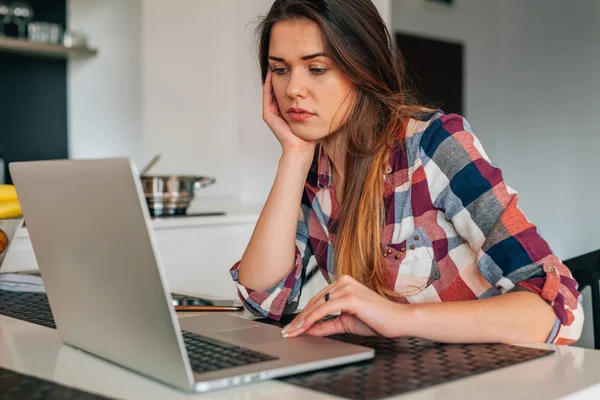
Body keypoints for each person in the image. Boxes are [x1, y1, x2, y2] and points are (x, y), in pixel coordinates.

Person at [229, 0, 583, 345]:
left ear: (361, 68)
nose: (293, 89)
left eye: (317, 68)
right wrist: (293, 155)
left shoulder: (433, 144)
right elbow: (263, 300)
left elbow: (559, 309)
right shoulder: (312, 172)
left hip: (486, 373)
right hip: (397, 374)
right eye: (280, 69)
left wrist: (397, 319)